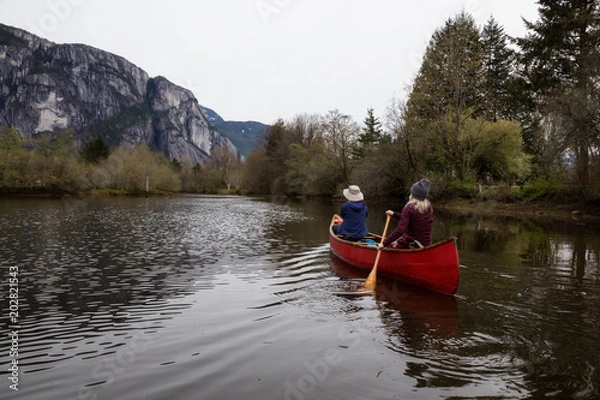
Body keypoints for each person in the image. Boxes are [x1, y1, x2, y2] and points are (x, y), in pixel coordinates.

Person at [378, 179, 433, 249]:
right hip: (426, 244)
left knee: (389, 246)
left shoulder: (409, 208)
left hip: (412, 243)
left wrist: (384, 244)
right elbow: (410, 220)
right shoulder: (428, 207)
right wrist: (394, 214)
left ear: (413, 195)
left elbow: (400, 230)